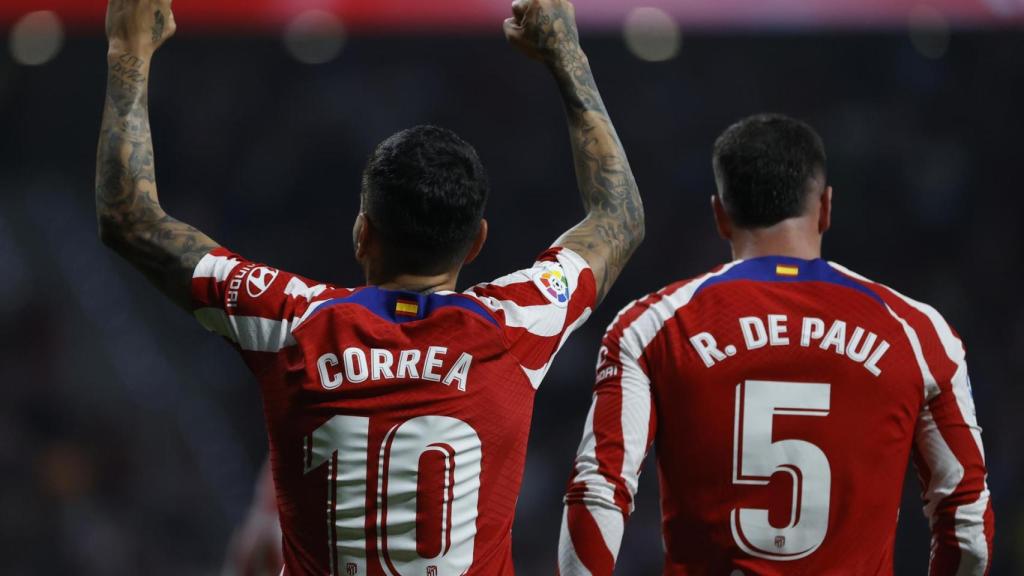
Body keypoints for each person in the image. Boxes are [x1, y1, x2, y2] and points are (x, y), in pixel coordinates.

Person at [95, 0, 643, 573]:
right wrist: (566, 55)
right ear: (476, 242)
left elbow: (129, 217)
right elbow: (619, 218)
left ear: (362, 233)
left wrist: (127, 50)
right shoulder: (518, 322)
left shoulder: (292, 320)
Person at [557, 114, 994, 575]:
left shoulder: (652, 327)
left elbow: (598, 490)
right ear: (825, 208)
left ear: (720, 216)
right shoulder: (919, 333)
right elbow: (966, 524)